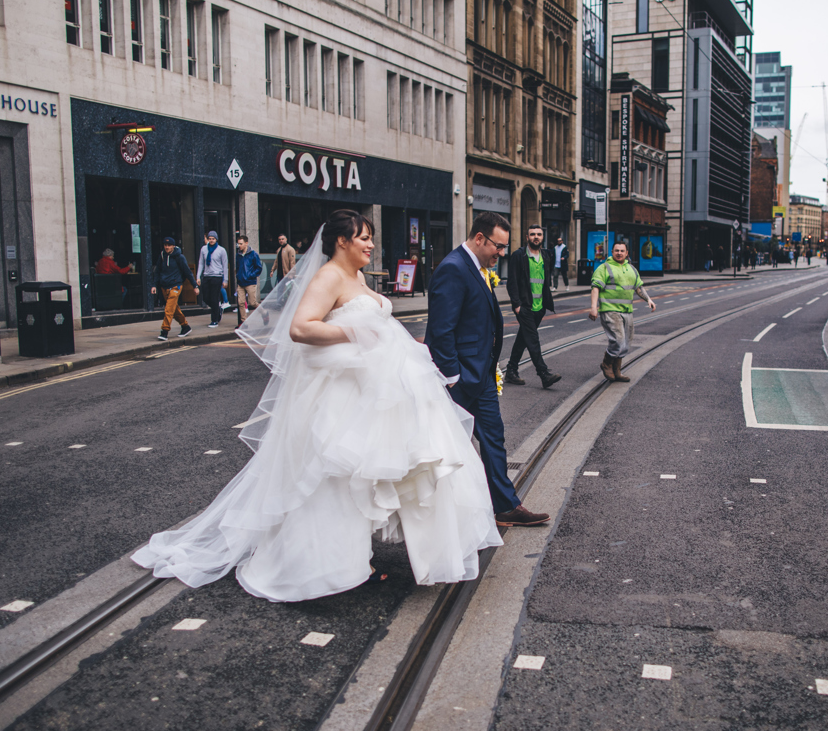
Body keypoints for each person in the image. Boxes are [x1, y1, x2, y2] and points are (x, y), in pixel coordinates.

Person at [132, 211, 502, 601]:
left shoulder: (357, 277)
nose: (370, 245)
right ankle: (324, 565)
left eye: (371, 238)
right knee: (334, 481)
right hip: (342, 393)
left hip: (373, 391)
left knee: (359, 478)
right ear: (341, 241)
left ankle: (361, 557)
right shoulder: (328, 276)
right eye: (363, 238)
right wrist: (356, 331)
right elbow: (300, 327)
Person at [425, 212, 551, 528]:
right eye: (498, 246)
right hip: (459, 380)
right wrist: (453, 378)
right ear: (479, 238)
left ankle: (507, 506)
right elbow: (441, 331)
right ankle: (440, 513)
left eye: (505, 247)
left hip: (480, 376)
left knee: (494, 439)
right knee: (446, 448)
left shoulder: (480, 267)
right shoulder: (453, 269)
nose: (502, 253)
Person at [588, 241, 656, 382]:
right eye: (616, 250)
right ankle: (607, 363)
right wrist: (594, 307)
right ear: (612, 252)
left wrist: (648, 299)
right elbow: (595, 288)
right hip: (610, 310)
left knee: (626, 343)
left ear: (626, 253)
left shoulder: (631, 269)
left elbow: (638, 287)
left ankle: (617, 370)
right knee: (618, 340)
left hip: (627, 311)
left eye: (622, 251)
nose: (619, 253)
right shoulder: (604, 268)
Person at [505, 225, 562, 389]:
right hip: (525, 307)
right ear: (526, 237)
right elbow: (512, 282)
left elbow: (545, 280)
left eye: (538, 234)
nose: (536, 237)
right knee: (533, 340)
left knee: (523, 338)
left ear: (542, 237)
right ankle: (544, 374)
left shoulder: (546, 255)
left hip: (540, 307)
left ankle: (511, 370)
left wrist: (545, 304)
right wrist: (516, 305)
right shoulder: (519, 255)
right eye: (532, 234)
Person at [150, 236, 195, 341]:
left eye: (169, 245)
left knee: (168, 309)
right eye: (165, 245)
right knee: (174, 309)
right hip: (164, 286)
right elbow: (157, 272)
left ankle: (164, 331)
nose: (167, 247)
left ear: (173, 246)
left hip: (176, 286)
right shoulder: (162, 256)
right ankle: (185, 326)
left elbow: (187, 272)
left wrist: (195, 286)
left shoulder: (179, 257)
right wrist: (154, 285)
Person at [196, 231, 229, 328]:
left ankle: (214, 320)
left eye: (213, 239)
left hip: (217, 276)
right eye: (210, 238)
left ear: (216, 239)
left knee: (214, 298)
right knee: (206, 298)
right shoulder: (204, 249)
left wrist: (225, 280)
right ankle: (218, 309)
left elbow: (225, 266)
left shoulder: (221, 250)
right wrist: (198, 276)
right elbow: (201, 263)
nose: (211, 240)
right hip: (206, 276)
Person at [236, 235, 263, 327]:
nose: (239, 245)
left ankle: (264, 312)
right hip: (240, 282)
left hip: (250, 282)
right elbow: (237, 267)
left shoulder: (253, 254)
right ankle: (244, 322)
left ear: (246, 243)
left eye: (241, 243)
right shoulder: (238, 255)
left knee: (253, 303)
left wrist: (250, 275)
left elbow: (259, 268)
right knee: (241, 303)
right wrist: (238, 276)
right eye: (238, 243)